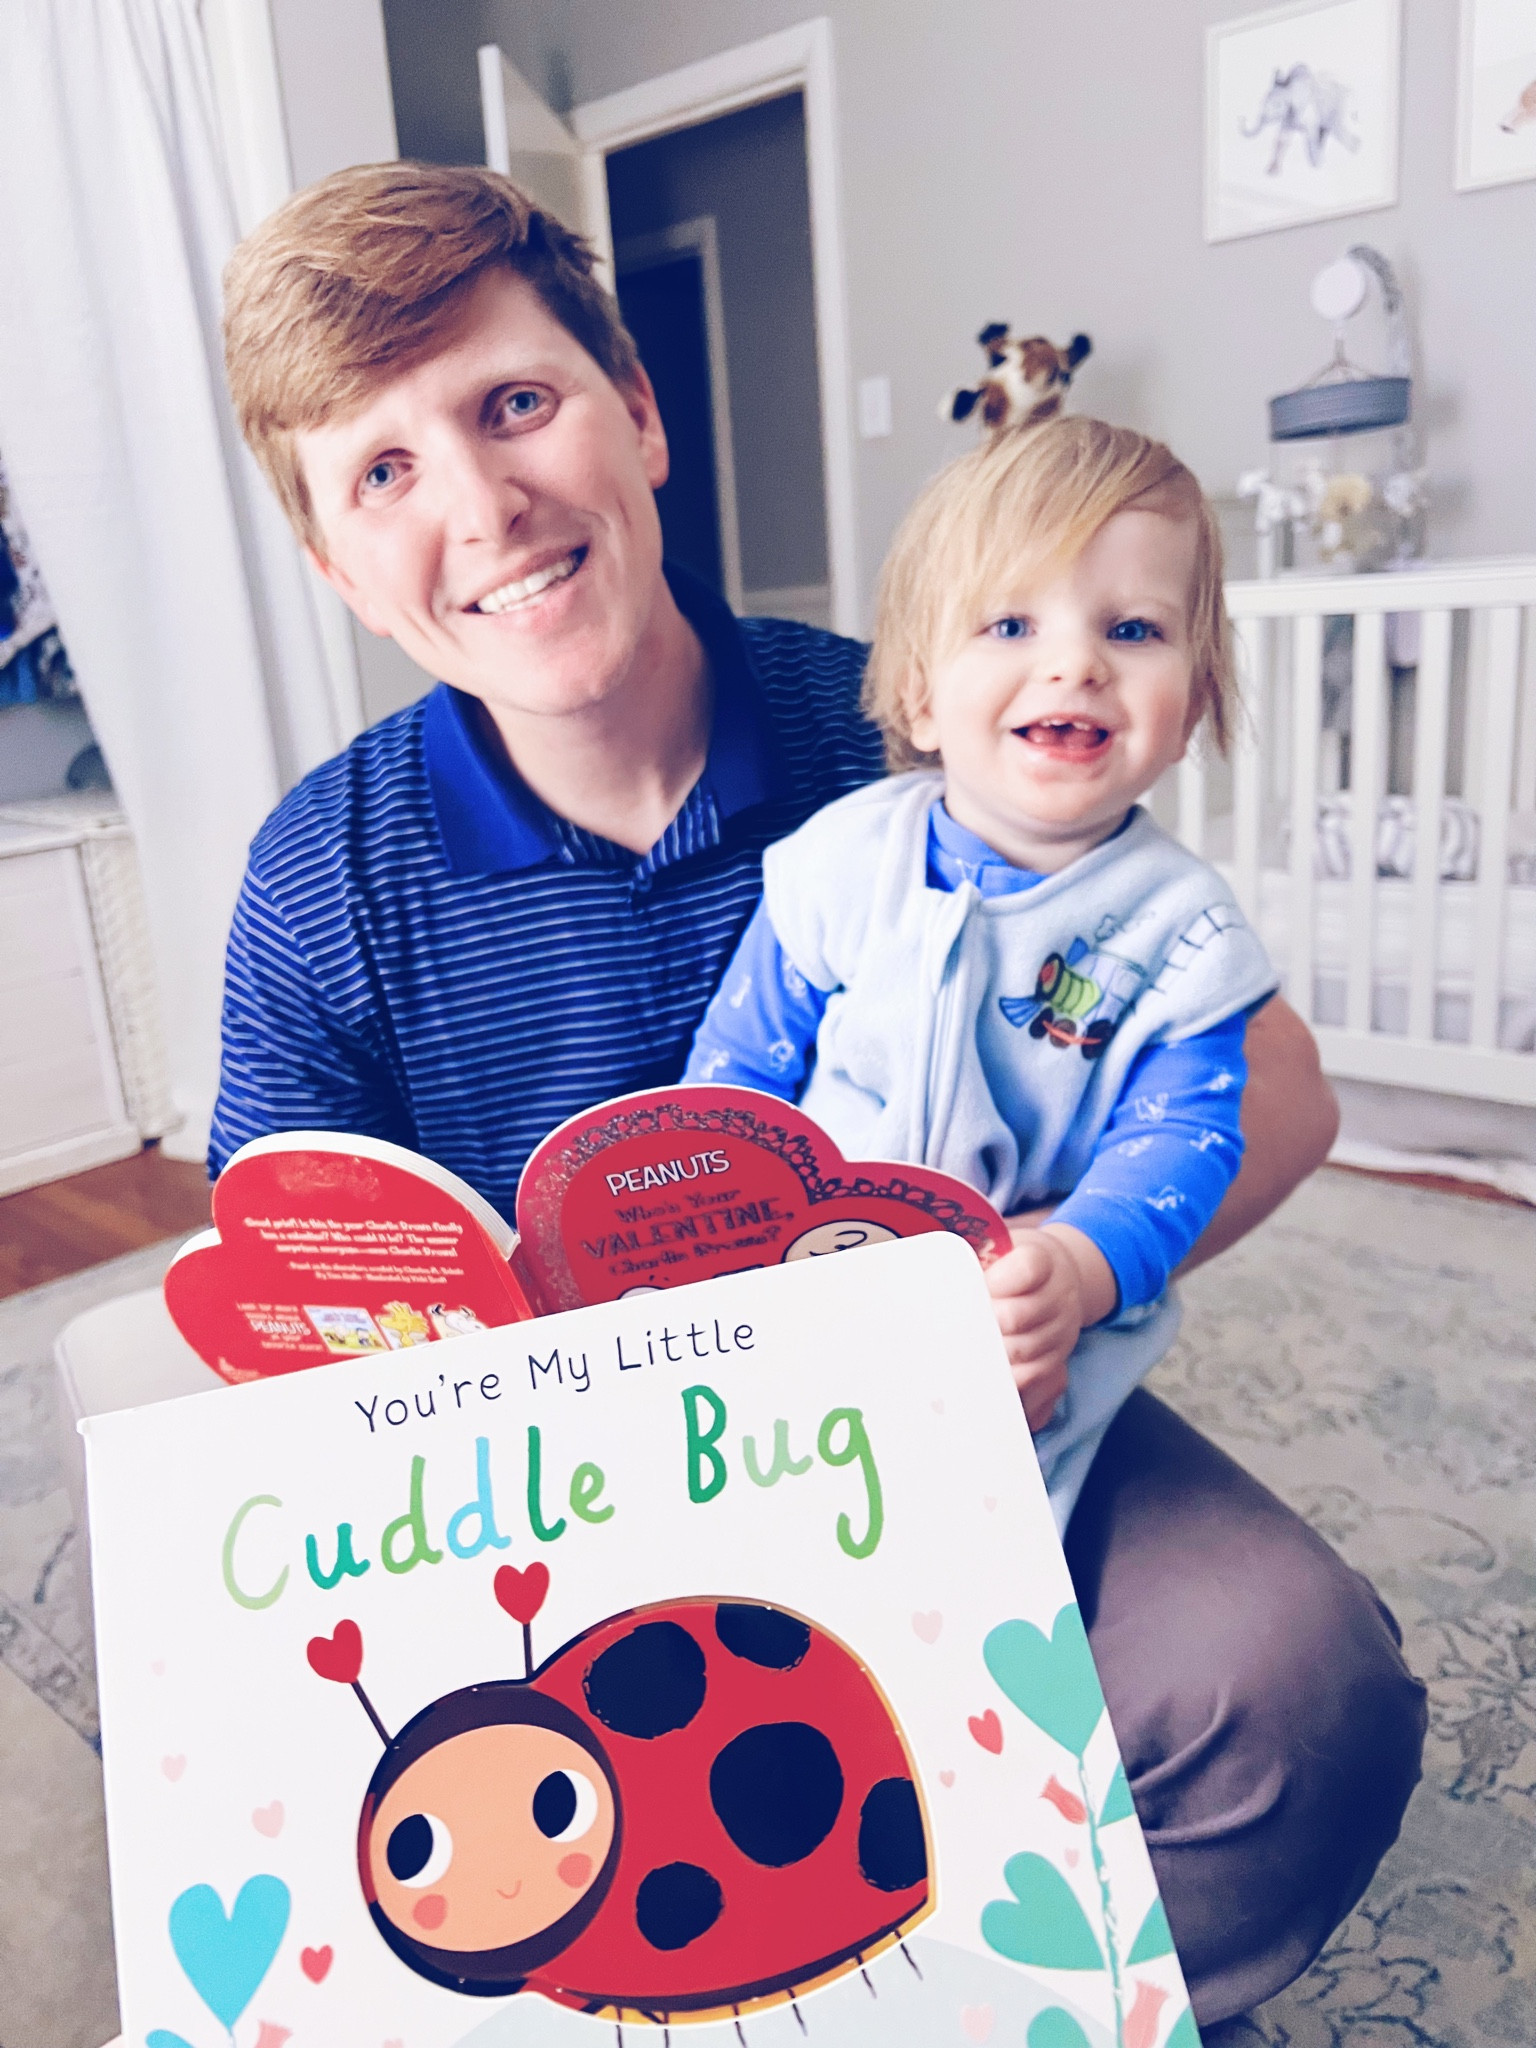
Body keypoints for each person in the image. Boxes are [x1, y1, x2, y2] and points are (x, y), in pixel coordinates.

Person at [215, 162, 1425, 2029]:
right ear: (331, 566)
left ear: (638, 412)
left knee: (1296, 1679)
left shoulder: (913, 717)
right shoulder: (321, 881)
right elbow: (293, 1330)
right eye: (380, 473)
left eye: (513, 403)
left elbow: (1272, 1092)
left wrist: (1058, 1276)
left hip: (950, 1417)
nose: (479, 505)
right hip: (547, 1513)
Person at [685, 417, 1277, 1532]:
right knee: (760, 1526)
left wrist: (1081, 1265)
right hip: (803, 1288)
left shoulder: (1185, 931)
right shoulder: (840, 863)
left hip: (1013, 1332)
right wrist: (721, 1230)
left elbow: (1184, 1141)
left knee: (979, 1542)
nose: (1075, 662)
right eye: (1010, 622)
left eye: (1134, 627)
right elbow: (739, 1068)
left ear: (1191, 704)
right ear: (918, 696)